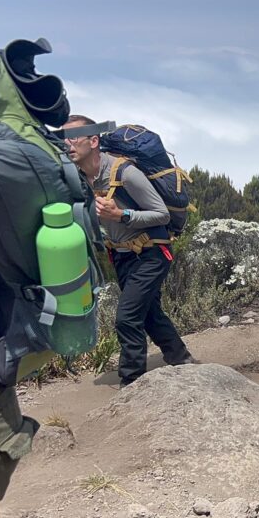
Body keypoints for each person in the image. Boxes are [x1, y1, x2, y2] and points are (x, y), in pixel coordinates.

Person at [61, 115, 197, 388]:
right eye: (63, 138)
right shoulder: (81, 177)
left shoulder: (126, 173)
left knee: (127, 316)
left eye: (74, 137)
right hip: (122, 255)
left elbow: (160, 215)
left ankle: (132, 381)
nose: (68, 144)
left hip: (152, 252)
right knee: (148, 313)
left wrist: (122, 215)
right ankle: (181, 358)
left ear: (94, 140)